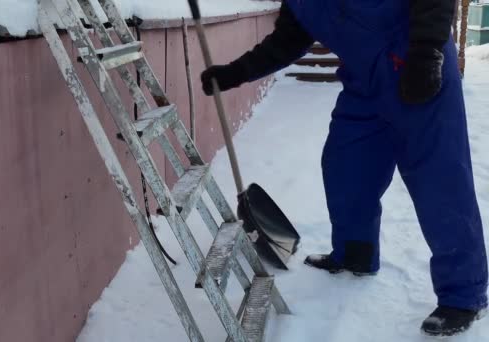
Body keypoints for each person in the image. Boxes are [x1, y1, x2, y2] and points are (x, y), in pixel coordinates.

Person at [201, 0, 488, 336]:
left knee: (440, 183)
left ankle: (463, 295)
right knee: (345, 166)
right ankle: (356, 253)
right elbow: (288, 41)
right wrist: (234, 73)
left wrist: (426, 50)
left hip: (415, 65)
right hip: (363, 82)